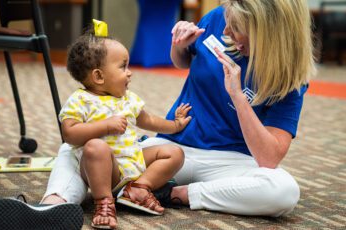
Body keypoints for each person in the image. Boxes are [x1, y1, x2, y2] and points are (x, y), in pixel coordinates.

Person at [43, 0, 316, 219]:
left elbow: (269, 159)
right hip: (175, 148)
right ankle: (55, 204)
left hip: (230, 162)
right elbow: (182, 62)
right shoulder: (221, 16)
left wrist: (237, 94)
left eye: (236, 28)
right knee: (82, 143)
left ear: (267, 31)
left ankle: (174, 194)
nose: (225, 32)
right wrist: (180, 46)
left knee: (283, 191)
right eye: (228, 23)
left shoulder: (290, 78)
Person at [54, 24, 192, 229]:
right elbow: (70, 134)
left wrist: (175, 125)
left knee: (174, 153)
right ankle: (104, 202)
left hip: (132, 162)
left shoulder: (127, 99)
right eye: (123, 67)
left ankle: (138, 188)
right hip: (105, 170)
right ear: (99, 76)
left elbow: (150, 120)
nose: (130, 73)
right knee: (95, 147)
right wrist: (105, 126)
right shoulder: (81, 99)